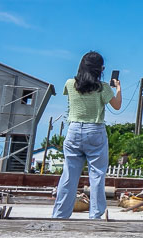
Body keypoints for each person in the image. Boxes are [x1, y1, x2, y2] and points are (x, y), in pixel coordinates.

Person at [52, 52, 122, 219]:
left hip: (74, 130)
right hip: (95, 130)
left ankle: (59, 215)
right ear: (100, 69)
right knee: (97, 175)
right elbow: (117, 106)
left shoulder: (70, 84)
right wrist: (118, 88)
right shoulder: (103, 87)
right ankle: (95, 216)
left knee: (69, 175)